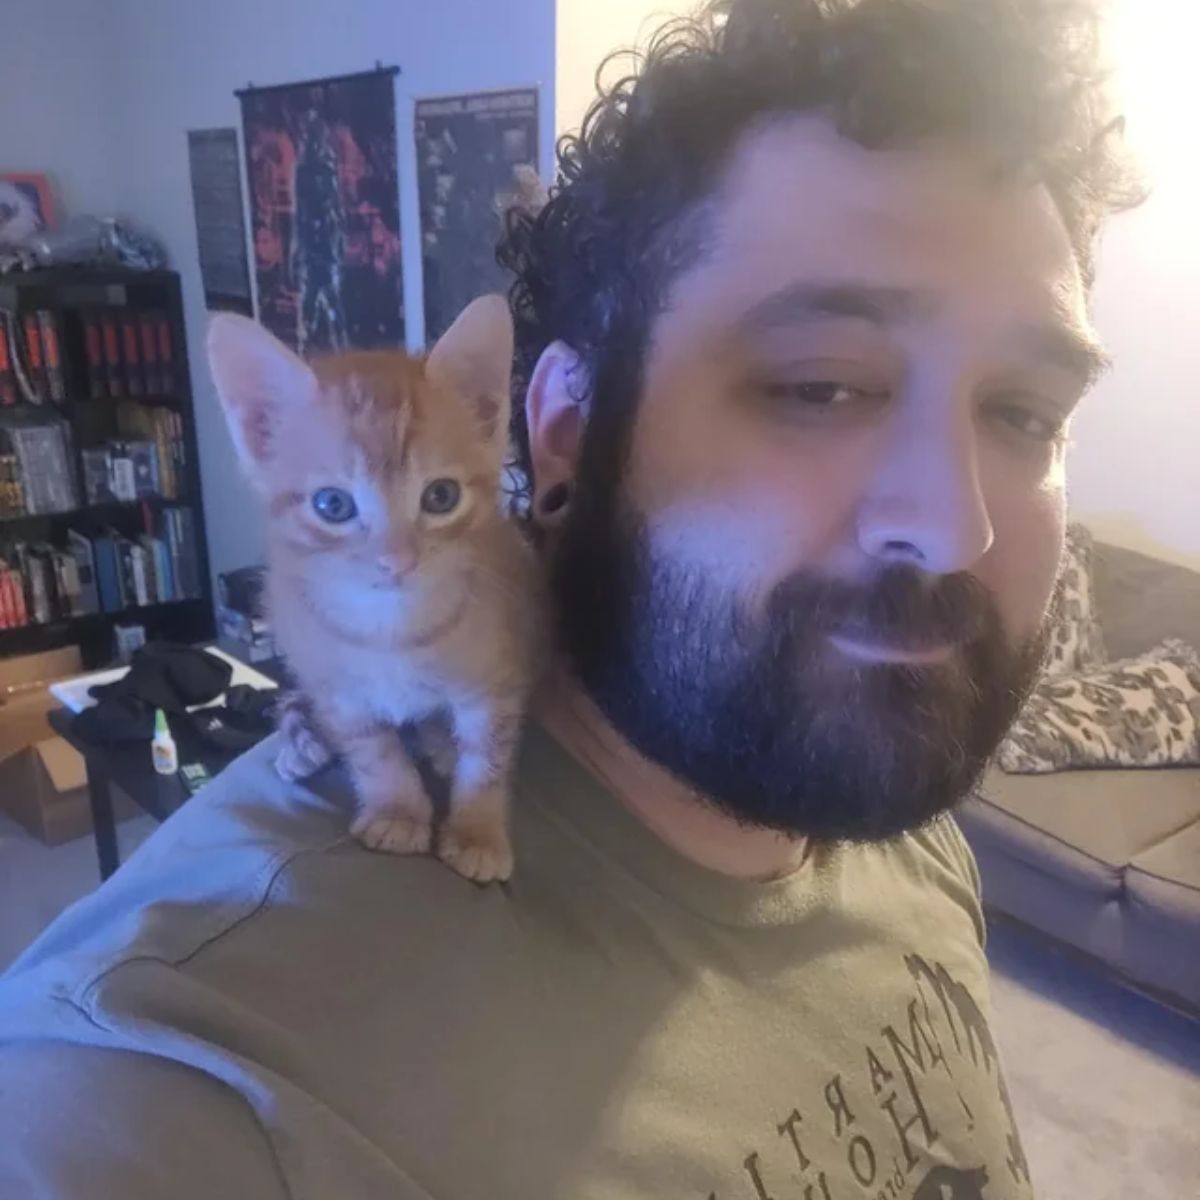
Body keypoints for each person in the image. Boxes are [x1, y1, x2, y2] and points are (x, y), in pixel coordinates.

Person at [0, 1, 1139, 1196]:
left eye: (1025, 414)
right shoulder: (184, 1075)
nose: (958, 529)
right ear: (563, 435)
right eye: (821, 386)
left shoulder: (890, 795)